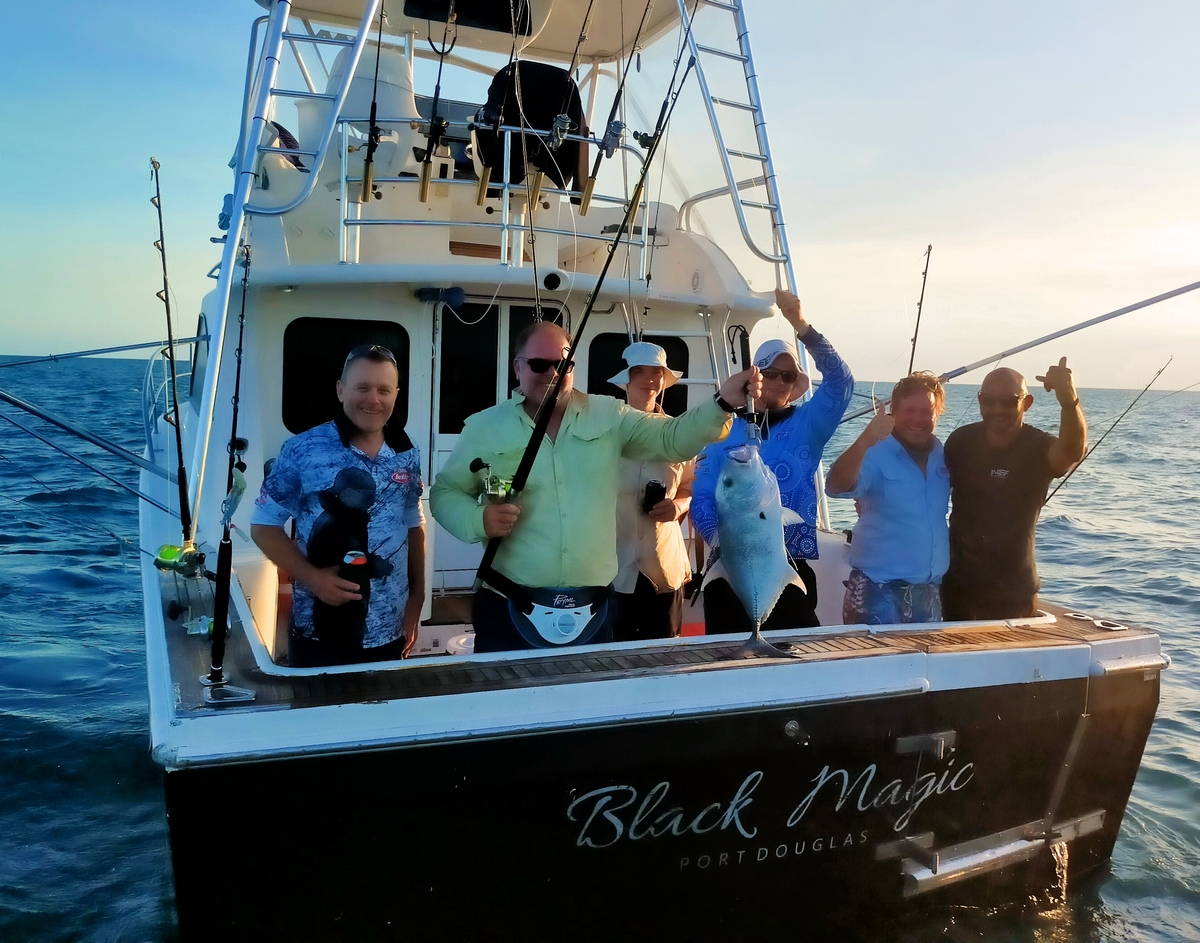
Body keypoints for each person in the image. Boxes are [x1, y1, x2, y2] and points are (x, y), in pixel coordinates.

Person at [429, 321, 761, 653]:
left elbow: (670, 438)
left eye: (562, 365)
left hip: (593, 610)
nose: (552, 373)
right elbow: (446, 492)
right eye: (538, 364)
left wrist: (722, 402)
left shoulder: (610, 415)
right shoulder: (485, 427)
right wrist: (479, 519)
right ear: (518, 367)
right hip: (509, 603)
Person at [250, 344, 426, 667]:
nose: (373, 399)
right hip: (318, 635)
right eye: (362, 387)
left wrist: (417, 598)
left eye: (384, 390)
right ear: (340, 390)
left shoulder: (407, 452)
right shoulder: (302, 449)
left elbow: (413, 522)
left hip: (391, 634)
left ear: (396, 394)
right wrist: (313, 579)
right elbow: (262, 525)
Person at [691, 289, 854, 632]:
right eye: (772, 372)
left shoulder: (808, 424)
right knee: (728, 664)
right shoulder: (720, 428)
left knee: (793, 661)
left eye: (790, 375)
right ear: (756, 375)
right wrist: (724, 541)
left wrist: (800, 323)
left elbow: (841, 382)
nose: (780, 381)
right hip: (730, 566)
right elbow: (702, 496)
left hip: (788, 565)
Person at [941, 358, 1087, 620]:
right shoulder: (960, 441)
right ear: (979, 400)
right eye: (989, 400)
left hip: (1014, 592)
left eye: (1008, 401)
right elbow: (930, 492)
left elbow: (1073, 451)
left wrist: (1069, 401)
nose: (997, 409)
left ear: (1026, 403)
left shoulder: (1039, 447)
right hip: (956, 586)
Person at [825, 371, 950, 624]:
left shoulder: (943, 455)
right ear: (893, 410)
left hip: (928, 593)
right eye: (909, 410)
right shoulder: (874, 452)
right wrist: (865, 440)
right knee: (877, 664)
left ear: (938, 413)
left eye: (926, 411)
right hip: (876, 591)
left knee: (923, 665)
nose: (918, 419)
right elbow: (836, 486)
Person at [608, 343, 696, 642]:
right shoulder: (603, 432)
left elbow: (690, 487)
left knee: (664, 660)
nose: (649, 379)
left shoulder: (678, 433)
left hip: (664, 571)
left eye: (657, 372)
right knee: (610, 661)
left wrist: (679, 506)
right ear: (627, 380)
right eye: (640, 371)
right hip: (612, 573)